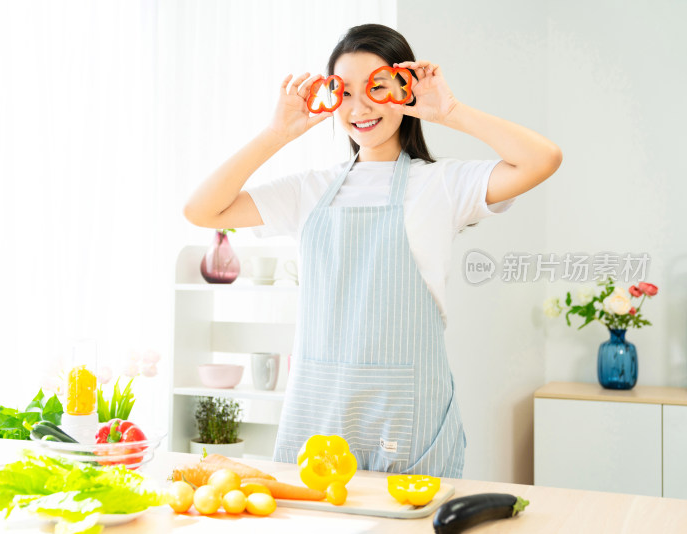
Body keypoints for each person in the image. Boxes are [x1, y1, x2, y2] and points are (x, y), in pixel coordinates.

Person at [183, 23, 561, 478]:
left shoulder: (440, 185)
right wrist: (276, 133)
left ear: (405, 91)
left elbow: (544, 159)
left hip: (406, 413)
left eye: (377, 87)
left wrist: (451, 111)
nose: (359, 107)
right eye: (344, 93)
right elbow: (202, 209)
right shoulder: (310, 189)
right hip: (319, 410)